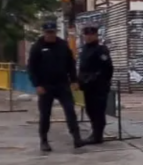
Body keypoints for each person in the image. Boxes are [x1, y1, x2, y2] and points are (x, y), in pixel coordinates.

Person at [28, 20, 84, 152]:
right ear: (44, 33)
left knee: (70, 111)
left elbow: (71, 64)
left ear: (55, 32)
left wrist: (74, 80)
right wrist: (37, 85)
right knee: (45, 114)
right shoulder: (37, 47)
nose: (50, 35)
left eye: (52, 32)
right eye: (48, 32)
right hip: (45, 86)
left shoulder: (63, 45)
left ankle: (76, 138)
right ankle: (44, 140)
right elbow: (32, 68)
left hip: (62, 84)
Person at [77, 25, 114, 145]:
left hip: (98, 87)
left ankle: (97, 136)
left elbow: (108, 68)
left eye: (91, 35)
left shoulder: (101, 49)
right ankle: (94, 133)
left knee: (98, 111)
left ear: (96, 35)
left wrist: (99, 80)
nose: (88, 37)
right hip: (86, 86)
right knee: (90, 110)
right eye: (86, 35)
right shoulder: (84, 49)